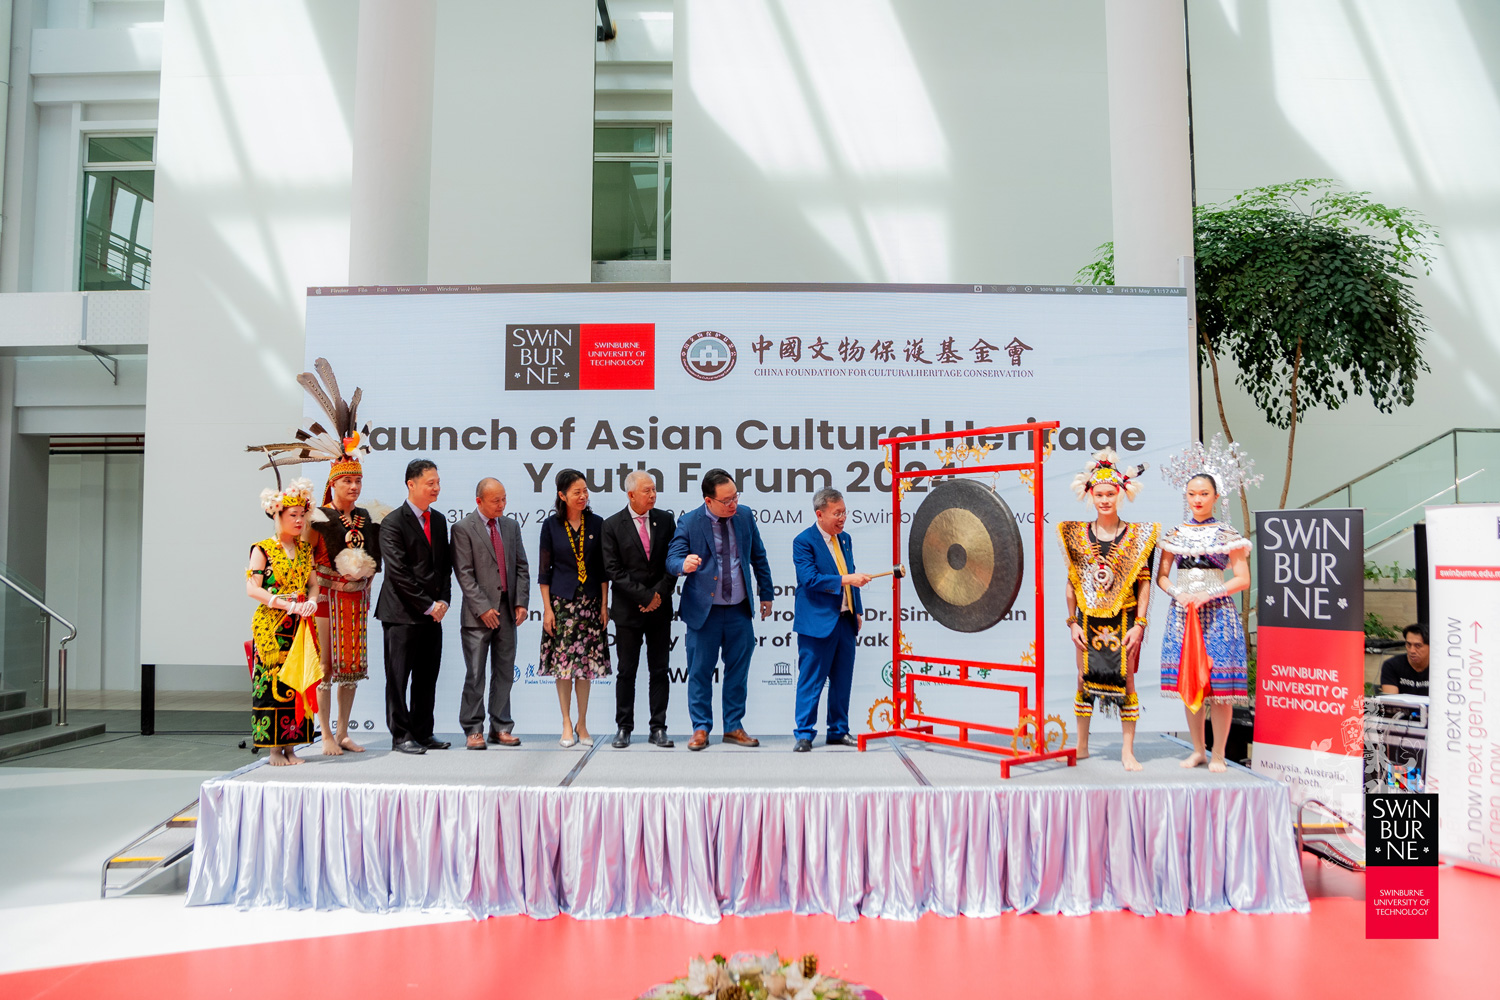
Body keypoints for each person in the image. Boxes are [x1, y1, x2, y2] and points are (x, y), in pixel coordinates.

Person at [1157, 438, 1257, 773]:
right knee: (1191, 685)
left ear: (1215, 497)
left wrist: (1209, 594)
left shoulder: (1229, 535)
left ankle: (1218, 753)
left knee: (1221, 690)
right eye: (1192, 494)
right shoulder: (1174, 534)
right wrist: (1178, 594)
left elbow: (1242, 579)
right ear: (1186, 497)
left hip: (1218, 615)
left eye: (1204, 494)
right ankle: (1198, 750)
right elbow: (1162, 577)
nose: (1198, 500)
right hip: (1184, 613)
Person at [1057, 451, 1157, 771]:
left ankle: (1128, 751)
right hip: (1087, 618)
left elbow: (1144, 584)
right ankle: (1082, 745)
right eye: (1099, 494)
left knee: (1126, 681)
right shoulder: (1076, 535)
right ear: (1090, 495)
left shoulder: (1139, 537)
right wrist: (1072, 622)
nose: (1104, 500)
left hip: (1124, 617)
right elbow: (1072, 583)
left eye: (1110, 494)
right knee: (1083, 679)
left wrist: (1140, 624)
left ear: (1121, 494)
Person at [666, 469, 775, 751]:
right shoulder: (690, 521)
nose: (733, 504)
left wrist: (767, 592)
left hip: (739, 609)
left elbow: (758, 556)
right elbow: (673, 557)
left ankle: (734, 726)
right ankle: (701, 728)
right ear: (708, 500)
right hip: (705, 612)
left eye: (735, 496)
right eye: (726, 500)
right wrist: (683, 565)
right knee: (700, 671)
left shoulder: (744, 516)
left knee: (738, 671)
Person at [375, 459, 452, 755]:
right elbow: (398, 573)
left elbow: (445, 567)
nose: (436, 488)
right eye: (430, 483)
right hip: (401, 614)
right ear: (412, 484)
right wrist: (427, 604)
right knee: (398, 677)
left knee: (426, 676)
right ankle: (401, 734)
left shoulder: (440, 520)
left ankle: (423, 731)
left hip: (433, 614)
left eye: (437, 482)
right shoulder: (393, 522)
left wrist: (443, 601)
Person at [308, 452, 380, 756]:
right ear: (333, 483)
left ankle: (342, 732)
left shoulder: (367, 516)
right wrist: (314, 591)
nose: (354, 486)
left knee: (350, 669)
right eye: (347, 481)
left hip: (355, 599)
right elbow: (306, 560)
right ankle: (324, 733)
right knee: (325, 667)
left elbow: (375, 560)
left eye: (358, 481)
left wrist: (365, 581)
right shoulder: (318, 517)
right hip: (326, 597)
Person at [245, 478, 321, 766]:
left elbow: (313, 584)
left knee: (297, 681)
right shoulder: (262, 549)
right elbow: (253, 588)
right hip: (273, 626)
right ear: (276, 515)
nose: (300, 520)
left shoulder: (305, 550)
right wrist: (282, 603)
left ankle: (292, 746)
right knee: (272, 683)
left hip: (299, 625)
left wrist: (311, 600)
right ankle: (274, 749)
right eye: (293, 515)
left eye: (302, 515)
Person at [790, 488, 871, 752]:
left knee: (842, 680)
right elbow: (810, 580)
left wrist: (856, 610)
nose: (842, 518)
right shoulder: (803, 541)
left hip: (845, 621)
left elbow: (851, 573)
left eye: (844, 512)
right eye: (837, 513)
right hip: (817, 623)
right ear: (820, 514)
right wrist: (848, 580)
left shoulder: (845, 539)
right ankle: (804, 733)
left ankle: (838, 730)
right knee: (811, 680)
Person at [452, 478, 530, 750]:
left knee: (504, 672)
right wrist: (483, 607)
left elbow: (521, 566)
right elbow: (464, 573)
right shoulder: (463, 529)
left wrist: (521, 602)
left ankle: (501, 726)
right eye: (495, 500)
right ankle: (473, 729)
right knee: (475, 673)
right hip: (477, 616)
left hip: (508, 612)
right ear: (479, 501)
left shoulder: (511, 526)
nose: (501, 505)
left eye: (504, 499)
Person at [601, 470, 678, 749]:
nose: (653, 495)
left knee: (660, 669)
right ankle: (624, 727)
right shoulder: (612, 525)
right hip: (628, 611)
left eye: (654, 489)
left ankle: (658, 727)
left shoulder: (666, 520)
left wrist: (657, 595)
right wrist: (644, 596)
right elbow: (613, 570)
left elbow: (674, 561)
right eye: (646, 491)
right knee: (627, 671)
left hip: (659, 609)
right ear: (631, 494)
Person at [537, 469, 610, 747]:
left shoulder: (597, 523)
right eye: (576, 492)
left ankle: (583, 723)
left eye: (585, 491)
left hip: (590, 604)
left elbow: (603, 570)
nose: (583, 496)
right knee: (564, 667)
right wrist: (547, 609)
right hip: (562, 605)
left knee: (586, 667)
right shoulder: (551, 526)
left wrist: (604, 604)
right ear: (562, 495)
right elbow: (544, 573)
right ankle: (566, 722)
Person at [1380, 623, 1430, 696]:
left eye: (1418, 646)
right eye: (1408, 644)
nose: (1412, 650)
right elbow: (1391, 701)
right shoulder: (1392, 665)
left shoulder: (1442, 667)